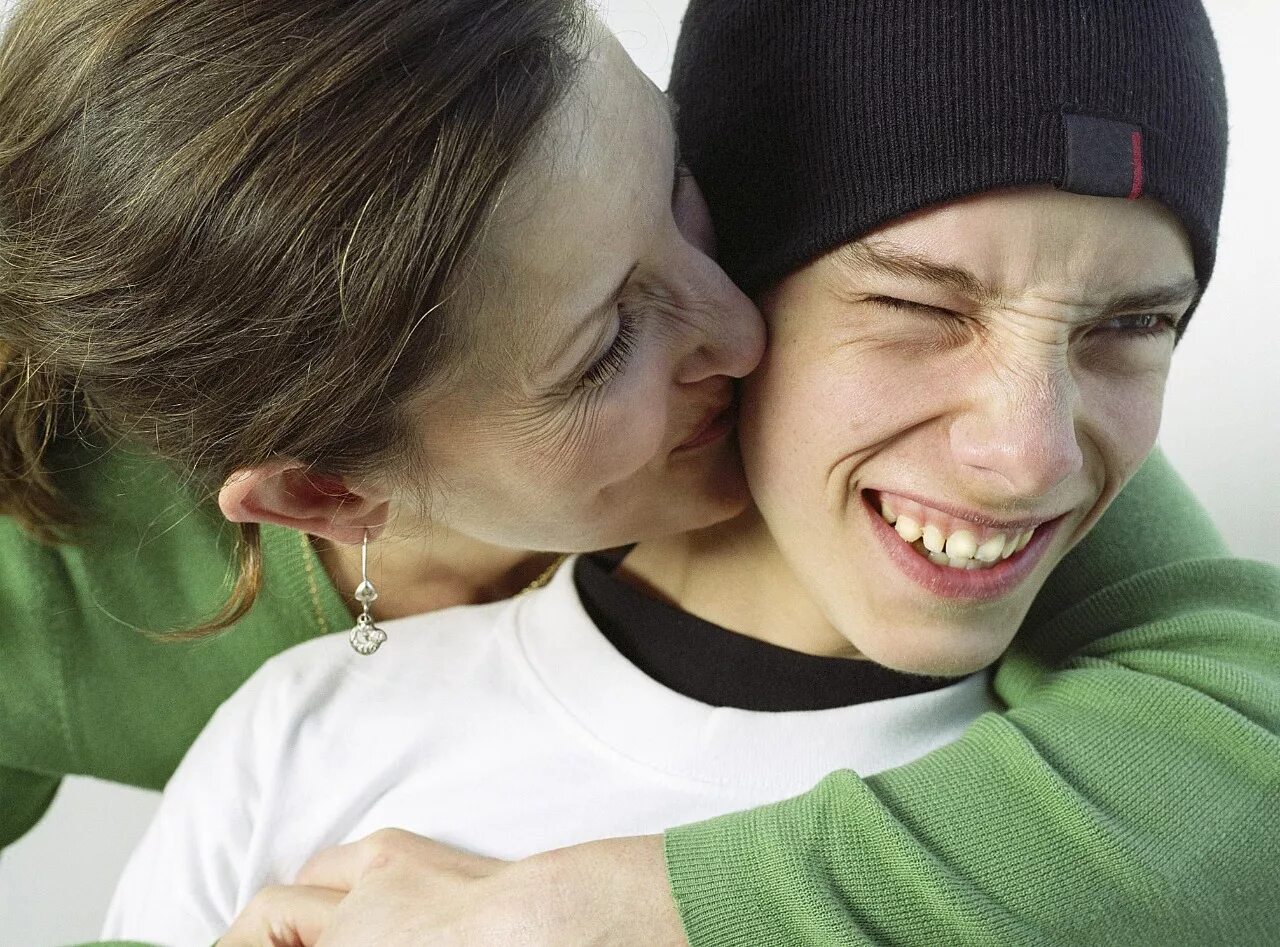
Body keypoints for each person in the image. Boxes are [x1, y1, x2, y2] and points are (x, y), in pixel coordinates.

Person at [0, 0, 1273, 945]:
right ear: (329, 495)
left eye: (680, 187)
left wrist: (590, 908)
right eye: (607, 341)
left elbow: (1236, 731)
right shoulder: (253, 715)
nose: (739, 324)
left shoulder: (968, 459)